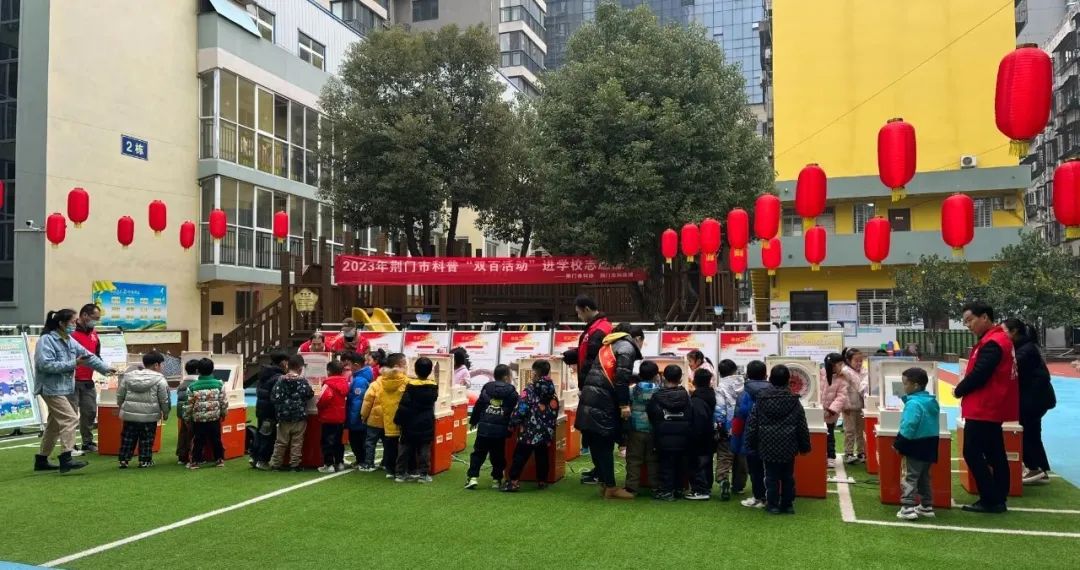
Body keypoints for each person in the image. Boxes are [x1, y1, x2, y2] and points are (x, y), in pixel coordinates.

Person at [954, 302, 1018, 514]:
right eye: (965, 322)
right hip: (990, 406)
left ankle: (991, 498)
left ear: (984, 317)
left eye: (970, 320)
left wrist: (959, 389)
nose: (968, 325)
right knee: (994, 453)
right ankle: (998, 497)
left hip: (984, 407)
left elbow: (981, 373)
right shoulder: (996, 340)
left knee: (972, 452)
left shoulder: (993, 343)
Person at [33, 309, 114, 473]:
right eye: (72, 321)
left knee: (55, 424)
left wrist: (106, 369)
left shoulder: (69, 340)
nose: (74, 324)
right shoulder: (46, 340)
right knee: (70, 419)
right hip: (50, 388)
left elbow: (89, 356)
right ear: (61, 323)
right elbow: (44, 365)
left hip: (62, 388)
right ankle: (66, 457)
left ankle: (41, 459)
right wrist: (74, 363)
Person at [576, 324, 643, 499]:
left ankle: (605, 483)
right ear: (638, 338)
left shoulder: (609, 345)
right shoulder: (627, 347)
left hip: (591, 398)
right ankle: (611, 487)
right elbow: (621, 379)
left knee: (596, 444)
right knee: (605, 445)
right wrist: (624, 405)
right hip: (603, 401)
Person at [747, 365, 812, 515]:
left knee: (771, 477)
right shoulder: (794, 401)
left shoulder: (761, 400)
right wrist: (805, 447)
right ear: (788, 380)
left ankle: (773, 505)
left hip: (767, 444)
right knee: (788, 476)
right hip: (789, 445)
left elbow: (752, 424)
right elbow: (802, 426)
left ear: (770, 379)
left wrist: (751, 444)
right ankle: (787, 505)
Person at [1004, 318, 1056, 486]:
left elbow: (1009, 368)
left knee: (1023, 432)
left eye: (1003, 331)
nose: (1001, 335)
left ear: (1014, 332)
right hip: (1038, 399)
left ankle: (1034, 468)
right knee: (1033, 434)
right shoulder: (1026, 347)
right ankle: (1041, 469)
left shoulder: (1025, 350)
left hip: (1033, 400)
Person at [505, 360, 560, 492]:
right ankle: (542, 481)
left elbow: (521, 408)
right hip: (546, 430)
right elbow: (555, 408)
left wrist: (512, 423)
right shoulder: (552, 390)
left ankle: (513, 482)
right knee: (542, 456)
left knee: (520, 455)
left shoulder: (529, 389)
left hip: (529, 430)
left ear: (534, 373)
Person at [893, 367, 940, 520]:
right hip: (930, 444)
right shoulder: (931, 402)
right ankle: (926, 505)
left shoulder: (913, 404)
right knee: (924, 476)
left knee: (909, 476)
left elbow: (909, 425)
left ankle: (907, 507)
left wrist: (899, 443)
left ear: (916, 385)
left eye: (905, 384)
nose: (904, 387)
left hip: (914, 445)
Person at [465, 364, 519, 490]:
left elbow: (479, 405)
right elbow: (515, 410)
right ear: (506, 377)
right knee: (498, 455)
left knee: (478, 453)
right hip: (500, 430)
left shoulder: (487, 387)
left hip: (484, 428)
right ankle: (496, 479)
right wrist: (512, 425)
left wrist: (474, 420)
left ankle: (472, 477)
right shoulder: (511, 391)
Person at [116, 351, 170, 469]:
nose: (162, 367)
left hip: (130, 414)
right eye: (162, 364)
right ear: (156, 365)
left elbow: (120, 394)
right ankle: (145, 461)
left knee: (128, 438)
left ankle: (123, 460)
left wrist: (120, 405)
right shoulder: (160, 380)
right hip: (149, 416)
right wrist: (165, 413)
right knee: (147, 439)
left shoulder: (128, 377)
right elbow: (164, 399)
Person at [647, 365, 691, 501]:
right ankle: (679, 489)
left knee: (665, 464)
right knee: (680, 463)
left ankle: (667, 491)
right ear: (680, 378)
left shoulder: (657, 396)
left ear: (664, 377)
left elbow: (652, 414)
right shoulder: (686, 396)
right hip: (683, 436)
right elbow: (691, 414)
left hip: (663, 436)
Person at [394, 357, 438, 483]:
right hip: (426, 421)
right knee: (424, 449)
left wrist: (398, 420)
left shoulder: (410, 386)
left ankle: (400, 473)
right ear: (430, 371)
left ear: (415, 370)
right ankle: (423, 474)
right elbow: (434, 400)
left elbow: (404, 406)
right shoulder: (433, 386)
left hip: (410, 421)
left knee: (405, 447)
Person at [269, 355, 315, 472]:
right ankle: (294, 464)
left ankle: (275, 464)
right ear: (300, 369)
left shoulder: (280, 380)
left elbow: (274, 397)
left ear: (287, 367)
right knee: (297, 442)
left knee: (281, 442)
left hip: (283, 417)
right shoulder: (302, 381)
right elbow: (309, 394)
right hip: (299, 417)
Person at [184, 358, 229, 469]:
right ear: (213, 370)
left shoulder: (192, 386)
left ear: (198, 371)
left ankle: (195, 461)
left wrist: (187, 418)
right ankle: (219, 459)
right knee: (216, 439)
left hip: (199, 419)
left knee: (198, 440)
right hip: (214, 418)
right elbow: (223, 402)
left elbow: (188, 405)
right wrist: (224, 413)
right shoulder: (219, 384)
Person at [69, 303, 103, 453]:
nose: (96, 321)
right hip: (71, 380)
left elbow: (97, 356)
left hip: (88, 380)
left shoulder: (94, 334)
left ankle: (87, 442)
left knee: (90, 412)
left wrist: (105, 368)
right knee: (70, 414)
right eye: (95, 318)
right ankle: (69, 445)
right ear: (84, 315)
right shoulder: (71, 333)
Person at [624, 361, 660, 497]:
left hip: (636, 428)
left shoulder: (632, 389)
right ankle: (655, 487)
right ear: (656, 375)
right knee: (653, 459)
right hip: (653, 429)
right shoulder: (659, 390)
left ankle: (631, 487)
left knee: (634, 458)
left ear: (640, 374)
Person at [371, 353, 409, 479]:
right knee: (403, 446)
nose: (407, 366)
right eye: (405, 364)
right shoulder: (406, 381)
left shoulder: (381, 381)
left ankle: (390, 470)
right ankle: (402, 471)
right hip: (403, 419)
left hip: (388, 418)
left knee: (390, 445)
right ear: (398, 366)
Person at [714, 359, 746, 499]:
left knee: (725, 456)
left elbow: (720, 409)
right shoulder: (744, 385)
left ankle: (723, 480)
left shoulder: (720, 388)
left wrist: (720, 427)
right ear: (735, 370)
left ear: (720, 373)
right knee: (741, 457)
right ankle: (738, 485)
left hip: (728, 428)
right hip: (743, 426)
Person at [252, 351, 289, 470]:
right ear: (283, 362)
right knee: (268, 436)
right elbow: (276, 396)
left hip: (261, 408)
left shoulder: (265, 373)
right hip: (270, 410)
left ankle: (254, 457)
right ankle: (262, 460)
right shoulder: (278, 377)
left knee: (261, 433)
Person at [687, 368, 718, 501]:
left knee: (698, 464)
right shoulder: (711, 395)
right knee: (706, 463)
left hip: (700, 437)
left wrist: (693, 436)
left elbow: (699, 421)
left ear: (694, 381)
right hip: (709, 435)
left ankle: (700, 490)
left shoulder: (697, 400)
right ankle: (706, 487)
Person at [317, 360, 349, 473]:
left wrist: (319, 407)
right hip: (340, 417)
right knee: (339, 442)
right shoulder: (345, 383)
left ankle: (329, 464)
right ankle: (339, 463)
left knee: (327, 442)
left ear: (329, 371)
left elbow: (323, 399)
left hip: (328, 417)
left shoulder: (328, 384)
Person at [345, 351, 375, 470]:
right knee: (360, 440)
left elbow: (357, 402)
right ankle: (361, 460)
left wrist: (352, 420)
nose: (348, 368)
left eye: (349, 365)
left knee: (357, 440)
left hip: (358, 419)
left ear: (356, 365)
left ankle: (362, 461)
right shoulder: (363, 377)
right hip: (362, 418)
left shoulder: (359, 381)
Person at [819, 353, 848, 469]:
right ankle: (818, 455)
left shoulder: (842, 378)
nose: (841, 367)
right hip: (817, 412)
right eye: (839, 364)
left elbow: (841, 397)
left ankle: (831, 457)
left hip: (830, 414)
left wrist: (831, 410)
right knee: (816, 435)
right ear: (831, 365)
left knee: (829, 436)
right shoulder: (820, 374)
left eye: (842, 364)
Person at [840, 348, 867, 464]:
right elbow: (843, 391)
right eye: (856, 360)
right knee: (849, 430)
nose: (859, 363)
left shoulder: (864, 371)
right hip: (849, 407)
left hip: (862, 406)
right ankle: (849, 453)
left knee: (861, 431)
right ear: (848, 360)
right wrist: (845, 406)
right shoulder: (845, 372)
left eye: (861, 360)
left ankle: (861, 452)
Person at [176, 359, 200, 466]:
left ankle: (181, 457)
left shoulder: (182, 384)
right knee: (193, 435)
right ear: (197, 370)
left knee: (183, 434)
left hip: (182, 413)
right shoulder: (196, 384)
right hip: (192, 413)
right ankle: (193, 457)